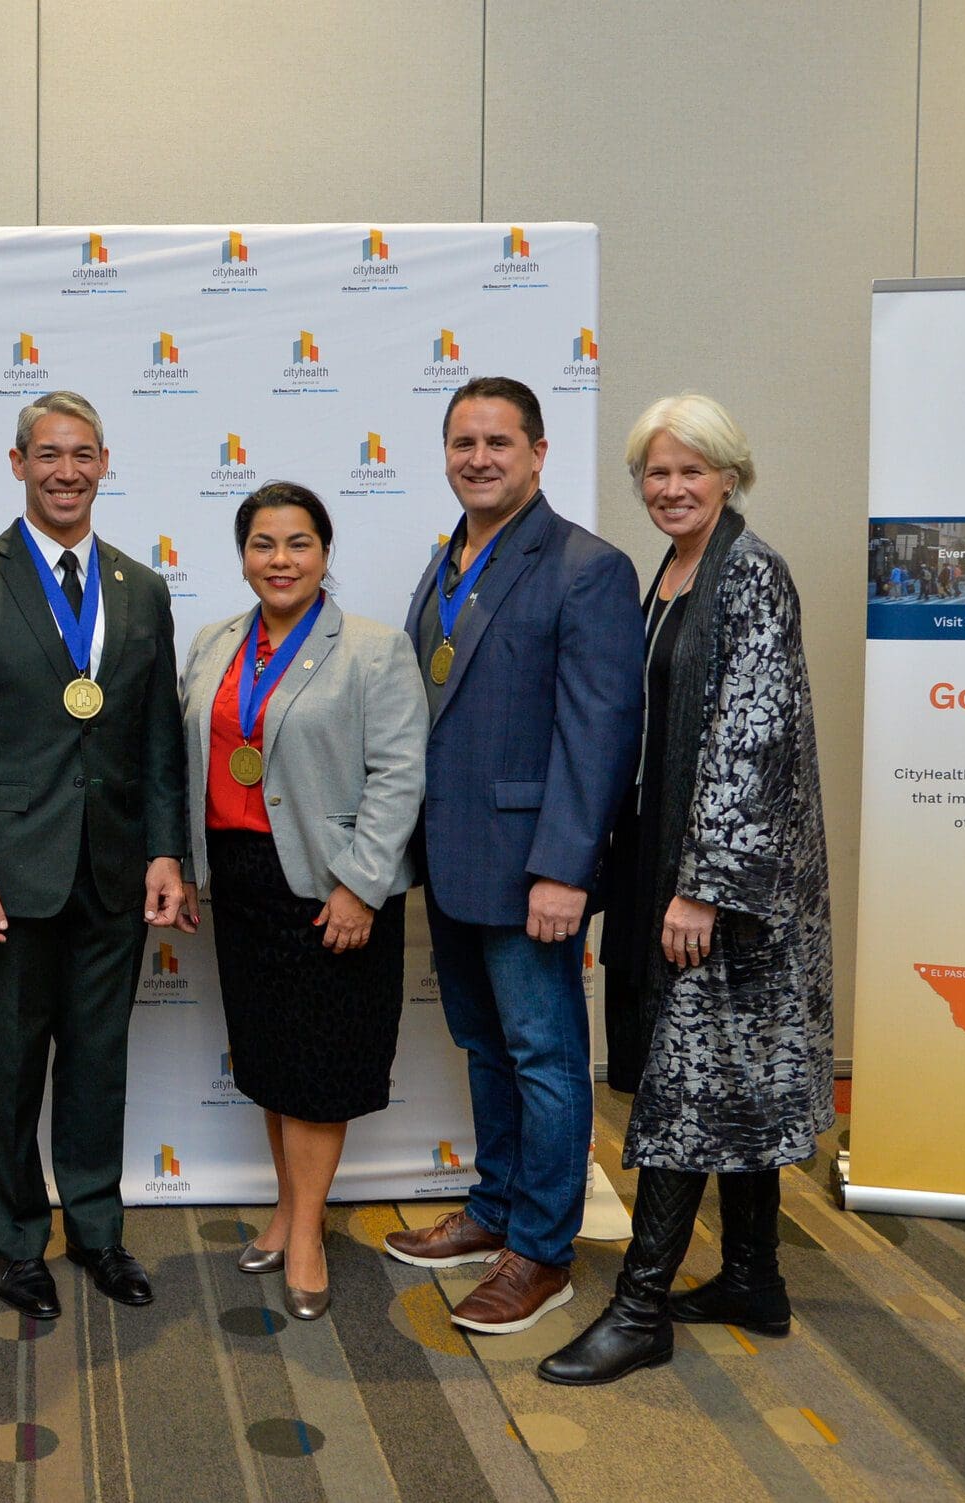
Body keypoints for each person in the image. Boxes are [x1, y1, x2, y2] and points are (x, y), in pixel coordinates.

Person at [540, 395, 833, 1385]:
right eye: (655, 474)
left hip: (726, 894)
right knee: (727, 1080)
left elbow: (749, 742)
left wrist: (702, 888)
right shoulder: (671, 572)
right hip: (671, 868)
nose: (669, 489)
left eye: (689, 472)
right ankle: (753, 1276)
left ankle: (639, 1309)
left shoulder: (750, 575)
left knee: (687, 1083)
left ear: (728, 476)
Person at [0, 390, 188, 1322]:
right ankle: (17, 1240)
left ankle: (99, 1232)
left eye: (83, 455)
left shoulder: (140, 588)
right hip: (9, 874)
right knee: (14, 1063)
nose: (66, 471)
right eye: (48, 454)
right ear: (17, 462)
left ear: (106, 463)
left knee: (99, 1060)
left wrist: (166, 852)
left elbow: (158, 743)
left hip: (114, 870)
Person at [381, 376, 643, 1336]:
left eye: (498, 441)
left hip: (534, 867)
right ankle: (495, 1207)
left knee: (546, 1058)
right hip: (452, 859)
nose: (478, 458)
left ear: (537, 452)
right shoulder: (448, 559)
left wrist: (565, 868)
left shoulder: (585, 565)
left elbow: (601, 732)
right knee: (485, 1045)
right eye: (462, 442)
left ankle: (542, 1249)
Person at [173, 482, 424, 1320]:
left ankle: (308, 1232)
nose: (280, 561)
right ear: (243, 555)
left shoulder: (373, 649)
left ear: (326, 552)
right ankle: (286, 1209)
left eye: (299, 544)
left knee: (319, 1066)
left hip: (328, 883)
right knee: (272, 1059)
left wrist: (361, 885)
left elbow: (399, 774)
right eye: (263, 545)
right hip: (242, 882)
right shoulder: (213, 643)